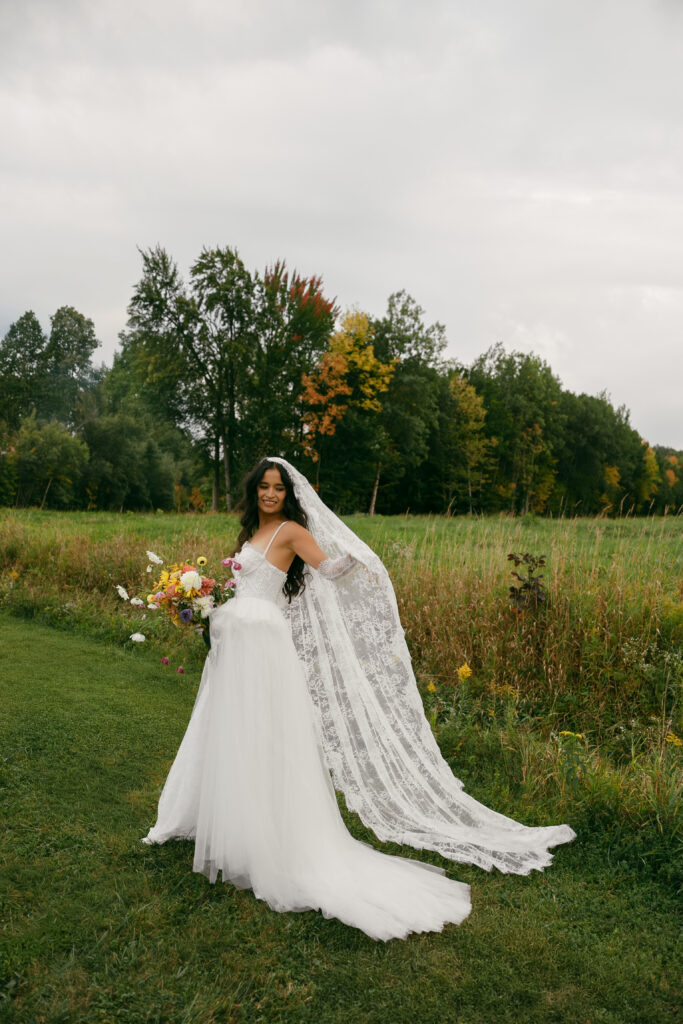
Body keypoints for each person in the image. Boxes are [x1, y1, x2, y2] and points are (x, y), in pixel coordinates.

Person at [143, 457, 575, 941]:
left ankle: (273, 841)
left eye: (277, 488)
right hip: (236, 644)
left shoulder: (289, 531)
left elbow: (327, 568)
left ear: (288, 494)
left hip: (264, 647)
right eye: (263, 487)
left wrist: (357, 566)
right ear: (253, 492)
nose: (269, 494)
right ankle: (232, 828)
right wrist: (201, 603)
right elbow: (241, 586)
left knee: (266, 737)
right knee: (234, 734)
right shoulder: (248, 537)